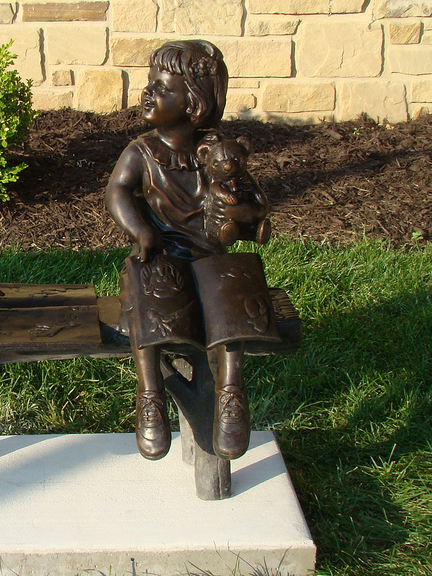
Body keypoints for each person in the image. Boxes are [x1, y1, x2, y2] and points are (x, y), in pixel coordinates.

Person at [106, 40, 262, 461]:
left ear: (193, 103)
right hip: (162, 252)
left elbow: (245, 195)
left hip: (212, 255)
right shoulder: (142, 151)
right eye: (150, 83)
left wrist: (245, 215)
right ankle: (150, 394)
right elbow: (117, 191)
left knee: (230, 302)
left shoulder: (218, 151)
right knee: (148, 296)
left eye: (162, 87)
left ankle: (231, 391)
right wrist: (141, 230)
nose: (148, 93)